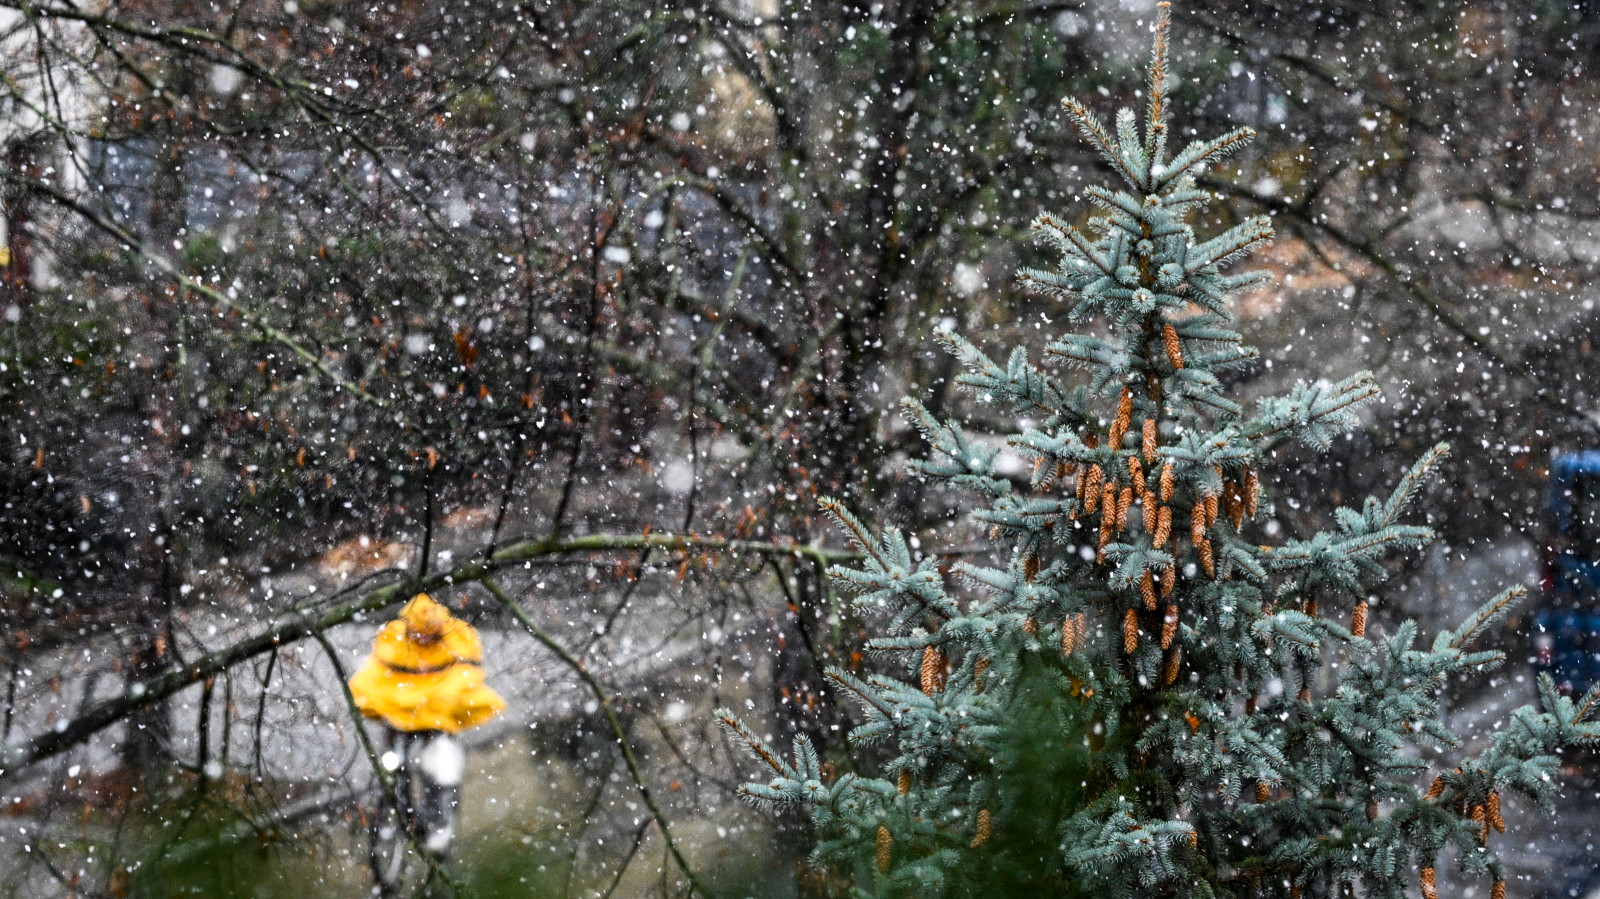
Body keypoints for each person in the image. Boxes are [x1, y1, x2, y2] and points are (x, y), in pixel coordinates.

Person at [348, 593, 506, 854]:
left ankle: (439, 819)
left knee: (437, 763)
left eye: (427, 634)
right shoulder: (394, 638)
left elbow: (465, 674)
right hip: (401, 712)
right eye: (417, 634)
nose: (422, 639)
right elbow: (375, 672)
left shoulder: (457, 637)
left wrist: (439, 698)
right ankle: (393, 802)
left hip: (435, 716)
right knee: (392, 759)